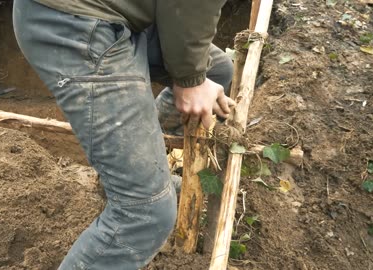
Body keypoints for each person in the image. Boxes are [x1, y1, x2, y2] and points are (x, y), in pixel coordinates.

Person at [12, 0, 235, 269]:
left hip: (114, 13)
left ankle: (142, 172)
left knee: (218, 69)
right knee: (145, 214)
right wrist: (190, 79)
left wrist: (195, 74)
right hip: (73, 22)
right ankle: (138, 186)